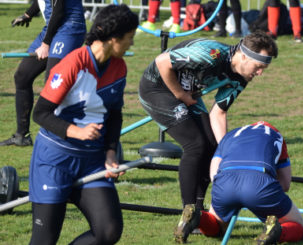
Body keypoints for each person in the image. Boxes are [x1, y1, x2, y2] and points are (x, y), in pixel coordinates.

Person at [137, 31, 278, 243]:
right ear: (244, 56)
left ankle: (199, 212)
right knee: (195, 145)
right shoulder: (210, 54)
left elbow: (218, 113)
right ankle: (188, 211)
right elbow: (162, 62)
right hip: (159, 88)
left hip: (187, 93)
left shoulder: (240, 77)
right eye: (259, 67)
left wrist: (227, 152)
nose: (260, 73)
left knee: (212, 146)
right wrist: (179, 95)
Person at [27, 4, 138, 244]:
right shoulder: (72, 64)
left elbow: (115, 114)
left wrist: (110, 152)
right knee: (44, 241)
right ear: (112, 38)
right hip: (55, 160)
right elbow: (41, 113)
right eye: (129, 38)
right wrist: (75, 131)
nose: (131, 44)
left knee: (108, 231)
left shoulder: (119, 66)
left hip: (92, 161)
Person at [192, 121, 303, 244]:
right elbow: (285, 184)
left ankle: (198, 217)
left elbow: (214, 174)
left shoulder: (231, 135)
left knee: (217, 224)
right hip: (259, 182)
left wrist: (234, 194)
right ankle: (278, 231)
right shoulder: (276, 135)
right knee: (298, 225)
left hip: (225, 182)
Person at [1, 0, 86, 147]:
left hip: (69, 27)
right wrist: (28, 14)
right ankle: (22, 136)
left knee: (54, 82)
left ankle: (61, 136)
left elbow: (58, 10)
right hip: (53, 26)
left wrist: (46, 44)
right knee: (22, 76)